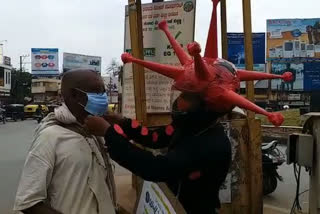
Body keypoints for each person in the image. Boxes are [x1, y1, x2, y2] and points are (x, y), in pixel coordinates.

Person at [85, 92, 232, 214]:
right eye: (182, 93)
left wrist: (109, 134)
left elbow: (156, 168)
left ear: (205, 106)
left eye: (187, 97)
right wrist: (124, 123)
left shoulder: (211, 144)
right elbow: (155, 138)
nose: (179, 101)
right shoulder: (189, 126)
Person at [14, 69, 117, 214]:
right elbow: (29, 202)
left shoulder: (94, 132)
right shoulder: (50, 137)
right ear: (74, 95)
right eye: (96, 91)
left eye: (103, 91)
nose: (102, 97)